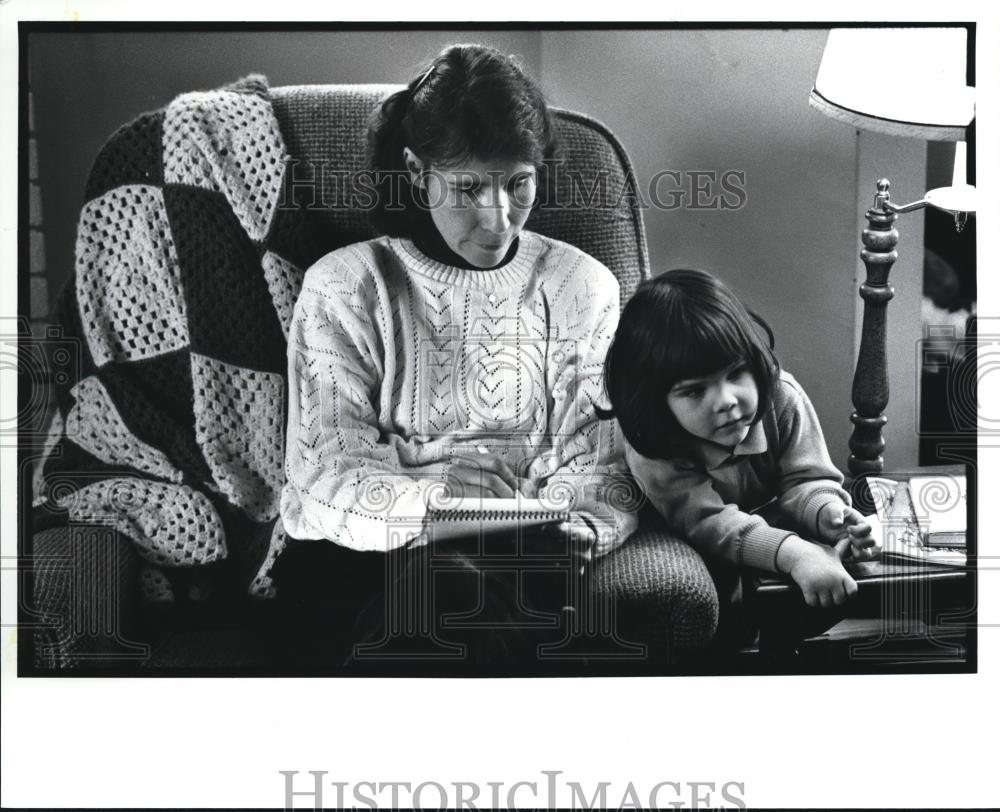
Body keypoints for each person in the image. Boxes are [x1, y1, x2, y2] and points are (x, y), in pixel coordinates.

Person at [273, 43, 637, 672]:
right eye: (468, 187)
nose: (497, 220)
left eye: (517, 184)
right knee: (442, 587)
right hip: (366, 556)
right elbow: (324, 477)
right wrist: (435, 501)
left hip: (520, 554)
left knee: (464, 588)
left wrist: (582, 523)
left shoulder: (582, 286)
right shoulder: (345, 285)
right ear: (417, 171)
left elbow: (600, 466)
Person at [599, 269, 876, 614]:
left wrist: (830, 513)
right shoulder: (652, 443)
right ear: (658, 401)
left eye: (735, 373)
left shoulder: (781, 397)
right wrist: (796, 553)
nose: (727, 400)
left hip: (768, 537)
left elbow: (807, 479)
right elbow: (709, 523)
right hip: (702, 550)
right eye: (695, 390)